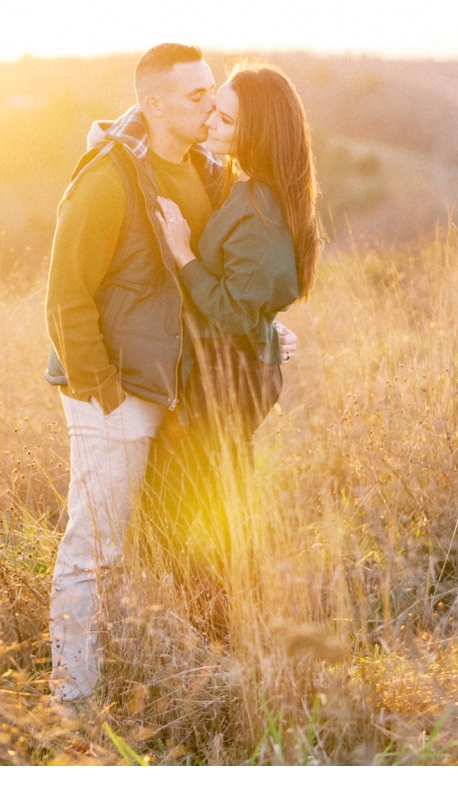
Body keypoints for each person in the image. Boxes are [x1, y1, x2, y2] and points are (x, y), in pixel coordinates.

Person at [42, 44, 297, 705]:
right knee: (93, 550)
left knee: (163, 545)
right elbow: (65, 295)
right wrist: (100, 390)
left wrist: (262, 332)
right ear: (152, 104)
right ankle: (72, 702)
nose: (210, 103)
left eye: (212, 90)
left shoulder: (211, 175)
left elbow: (218, 282)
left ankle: (157, 685)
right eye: (194, 96)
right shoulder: (109, 180)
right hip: (119, 394)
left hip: (185, 399)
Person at [146, 63, 322, 614]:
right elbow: (251, 301)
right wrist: (268, 329)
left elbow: (229, 308)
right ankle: (224, 627)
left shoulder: (261, 207)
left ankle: (221, 635)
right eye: (211, 107)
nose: (211, 122)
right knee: (205, 509)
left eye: (225, 117)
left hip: (226, 384)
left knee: (180, 516)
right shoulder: (246, 189)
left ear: (256, 132)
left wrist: (183, 253)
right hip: (227, 376)